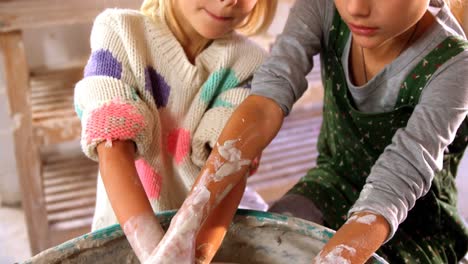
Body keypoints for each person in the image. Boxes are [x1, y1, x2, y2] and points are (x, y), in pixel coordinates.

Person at [158, 0, 468, 263]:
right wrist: (188, 226)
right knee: (270, 242)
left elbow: (397, 181)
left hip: (416, 219)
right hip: (333, 181)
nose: (356, 8)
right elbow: (268, 98)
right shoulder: (323, 5)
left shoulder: (455, 65)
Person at [73, 0, 277, 263]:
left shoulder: (250, 62)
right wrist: (154, 255)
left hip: (207, 231)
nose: (230, 0)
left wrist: (199, 256)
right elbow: (112, 146)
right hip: (125, 235)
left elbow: (232, 165)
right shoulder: (120, 31)